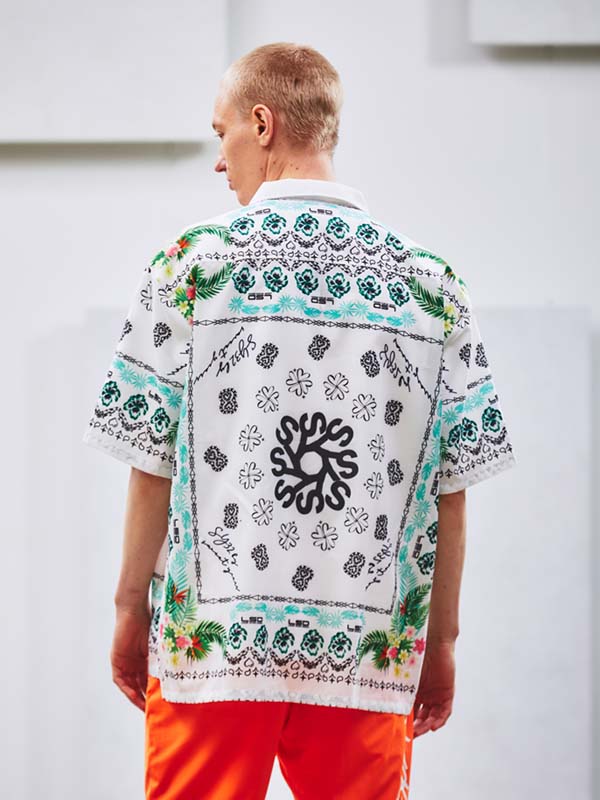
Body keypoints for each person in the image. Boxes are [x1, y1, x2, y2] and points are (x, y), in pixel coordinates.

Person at [82, 42, 517, 800]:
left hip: (211, 654)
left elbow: (151, 463)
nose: (219, 160)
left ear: (262, 124)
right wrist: (441, 642)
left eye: (221, 133)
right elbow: (451, 488)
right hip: (369, 657)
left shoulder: (189, 268)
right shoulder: (432, 286)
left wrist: (128, 609)